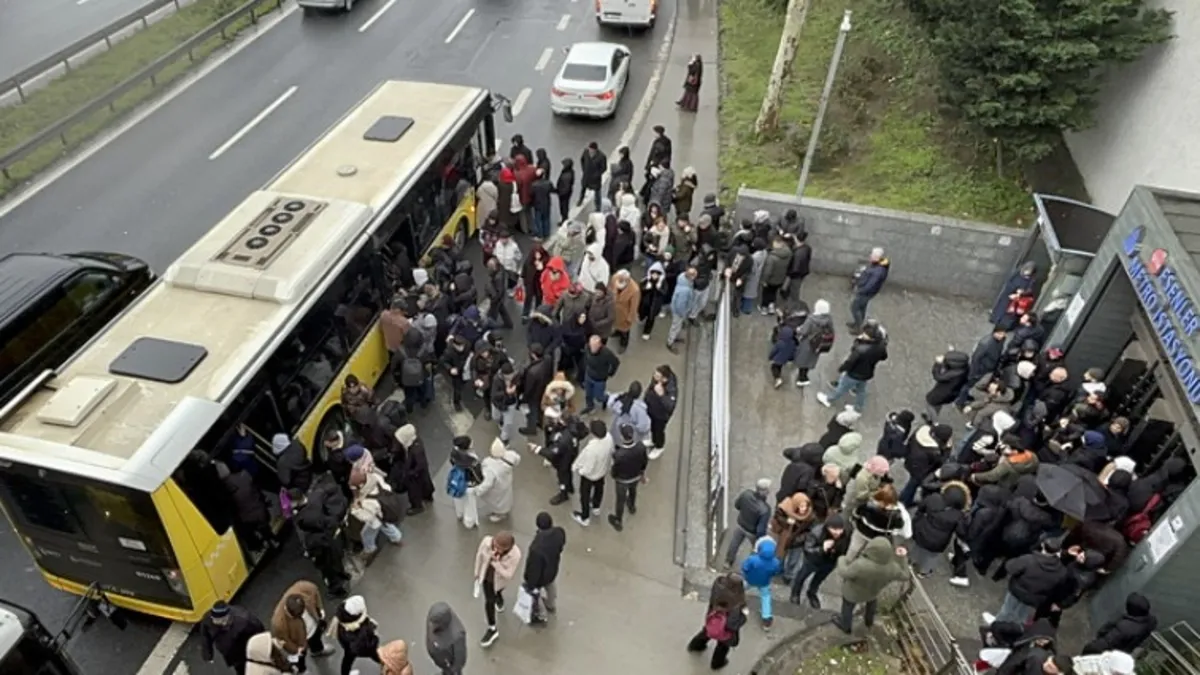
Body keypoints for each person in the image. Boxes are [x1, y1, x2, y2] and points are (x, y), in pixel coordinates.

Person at [833, 538, 908, 633]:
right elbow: (906, 576)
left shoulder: (861, 565)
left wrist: (842, 559)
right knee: (871, 603)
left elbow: (844, 572)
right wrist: (902, 558)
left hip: (852, 593)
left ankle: (846, 626)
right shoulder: (893, 568)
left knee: (847, 608)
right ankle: (869, 621)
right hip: (873, 592)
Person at [992, 538, 1073, 625]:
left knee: (1006, 610)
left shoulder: (1029, 559)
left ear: (1042, 545)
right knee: (1021, 616)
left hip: (1017, 592)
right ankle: (1012, 631)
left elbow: (1010, 567)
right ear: (1058, 551)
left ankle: (996, 626)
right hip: (1034, 599)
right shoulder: (1062, 571)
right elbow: (1059, 589)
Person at [816, 321, 889, 412]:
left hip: (854, 373)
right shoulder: (880, 346)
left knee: (842, 388)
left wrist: (842, 369)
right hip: (867, 373)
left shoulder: (860, 349)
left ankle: (828, 399)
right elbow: (884, 357)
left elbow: (850, 362)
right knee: (861, 391)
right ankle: (858, 408)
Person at [687, 571, 747, 670]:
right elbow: (732, 623)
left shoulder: (718, 584)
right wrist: (743, 618)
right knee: (723, 645)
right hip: (725, 626)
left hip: (713, 614)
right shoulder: (737, 601)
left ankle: (695, 646)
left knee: (707, 631)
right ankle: (717, 663)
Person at [790, 513, 851, 608]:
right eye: (834, 529)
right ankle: (795, 593)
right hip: (813, 561)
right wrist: (822, 549)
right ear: (828, 527)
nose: (837, 532)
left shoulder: (845, 534)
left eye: (840, 529)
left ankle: (811, 593)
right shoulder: (816, 533)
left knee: (818, 579)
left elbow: (846, 548)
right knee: (801, 576)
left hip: (829, 562)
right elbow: (808, 549)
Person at [474, 531, 523, 648]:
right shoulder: (487, 542)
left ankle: (499, 597)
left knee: (498, 590)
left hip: (500, 580)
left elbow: (508, 574)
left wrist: (496, 564)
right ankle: (492, 627)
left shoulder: (515, 554)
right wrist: (476, 572)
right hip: (487, 577)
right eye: (494, 545)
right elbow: (479, 555)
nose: (495, 549)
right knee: (489, 601)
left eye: (499, 548)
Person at [908, 486, 969, 578]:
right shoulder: (958, 515)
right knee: (931, 557)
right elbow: (961, 531)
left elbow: (921, 507)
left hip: (922, 531)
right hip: (938, 542)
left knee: (917, 547)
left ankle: (911, 562)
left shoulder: (934, 498)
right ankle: (923, 572)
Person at [270, 580, 328, 672]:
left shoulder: (305, 588)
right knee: (300, 659)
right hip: (299, 642)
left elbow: (315, 591)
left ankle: (317, 651)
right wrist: (296, 650)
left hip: (313, 628)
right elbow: (285, 641)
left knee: (316, 640)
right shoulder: (278, 623)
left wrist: (320, 610)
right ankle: (302, 670)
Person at [523, 512, 567, 623]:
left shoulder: (536, 547)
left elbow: (533, 568)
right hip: (552, 568)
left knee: (536, 594)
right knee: (550, 585)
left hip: (540, 575)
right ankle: (551, 604)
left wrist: (530, 584)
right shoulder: (559, 532)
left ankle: (541, 615)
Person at [1081, 593, 1157, 655]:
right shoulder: (1152, 621)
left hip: (1110, 650)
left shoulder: (1124, 628)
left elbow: (1105, 643)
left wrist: (1089, 648)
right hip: (1126, 650)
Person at [200, 601, 264, 675]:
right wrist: (208, 654)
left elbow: (259, 631)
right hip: (232, 657)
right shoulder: (208, 618)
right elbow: (205, 635)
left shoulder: (244, 620)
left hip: (245, 652)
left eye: (216, 619)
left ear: (225, 619)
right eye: (212, 618)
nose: (212, 621)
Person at [572, 419, 614, 526]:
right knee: (599, 488)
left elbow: (588, 469)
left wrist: (580, 470)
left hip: (590, 476)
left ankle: (585, 517)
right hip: (602, 470)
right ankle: (596, 507)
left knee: (584, 495)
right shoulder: (609, 437)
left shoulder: (592, 449)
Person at [725, 479, 772, 567]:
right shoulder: (765, 509)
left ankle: (728, 562)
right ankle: (749, 566)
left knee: (734, 544)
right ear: (765, 492)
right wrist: (761, 539)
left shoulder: (746, 494)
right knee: (756, 549)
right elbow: (760, 530)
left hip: (741, 525)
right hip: (752, 532)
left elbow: (737, 505)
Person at [472, 439, 521, 523]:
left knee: (496, 502)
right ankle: (503, 512)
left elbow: (487, 484)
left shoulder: (490, 466)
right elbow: (517, 458)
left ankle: (499, 514)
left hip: (496, 488)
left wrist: (477, 491)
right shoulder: (510, 456)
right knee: (505, 499)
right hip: (505, 484)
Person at [331, 596, 380, 675]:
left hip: (347, 644)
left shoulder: (341, 619)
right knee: (377, 656)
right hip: (360, 647)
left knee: (347, 660)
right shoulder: (362, 631)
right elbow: (364, 647)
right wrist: (375, 638)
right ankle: (388, 666)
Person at [392, 424, 435, 515]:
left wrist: (410, 473)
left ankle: (417, 506)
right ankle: (428, 496)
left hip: (414, 473)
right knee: (425, 483)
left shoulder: (415, 450)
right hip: (420, 472)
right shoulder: (416, 442)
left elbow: (420, 464)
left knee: (413, 490)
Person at [791, 299, 834, 387]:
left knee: (803, 360)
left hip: (808, 343)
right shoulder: (828, 319)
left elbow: (804, 331)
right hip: (818, 343)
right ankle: (805, 375)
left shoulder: (811, 319)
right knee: (810, 360)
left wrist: (798, 329)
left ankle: (802, 378)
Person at [848, 247, 890, 331]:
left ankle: (858, 327)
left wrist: (860, 290)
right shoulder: (878, 265)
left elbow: (870, 285)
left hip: (866, 292)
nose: (870, 256)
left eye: (872, 255)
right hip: (867, 292)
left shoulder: (878, 271)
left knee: (855, 307)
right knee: (862, 307)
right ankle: (858, 323)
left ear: (877, 258)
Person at [643, 364, 678, 459]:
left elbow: (670, 406)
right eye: (655, 374)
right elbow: (650, 388)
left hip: (661, 416)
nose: (654, 377)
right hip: (652, 409)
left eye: (657, 376)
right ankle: (653, 440)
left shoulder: (671, 389)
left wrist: (662, 395)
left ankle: (659, 447)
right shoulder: (656, 380)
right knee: (652, 427)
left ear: (664, 379)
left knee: (658, 431)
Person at [581, 335, 620, 414]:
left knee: (599, 397)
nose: (592, 348)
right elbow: (585, 357)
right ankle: (590, 406)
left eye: (595, 346)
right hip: (588, 375)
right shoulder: (587, 347)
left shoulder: (606, 353)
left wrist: (610, 373)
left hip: (599, 379)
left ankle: (606, 398)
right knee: (588, 394)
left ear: (600, 345)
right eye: (591, 345)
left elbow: (616, 362)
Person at [426, 602, 468, 675]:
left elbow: (459, 659)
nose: (431, 625)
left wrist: (453, 670)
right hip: (443, 662)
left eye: (435, 623)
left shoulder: (457, 636)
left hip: (449, 667)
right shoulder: (433, 619)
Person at [610, 270, 642, 351]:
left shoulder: (634, 290)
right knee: (616, 324)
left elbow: (634, 306)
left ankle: (623, 344)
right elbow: (611, 289)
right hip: (615, 309)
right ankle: (617, 332)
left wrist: (630, 318)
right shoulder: (614, 278)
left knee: (625, 330)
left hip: (625, 313)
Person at [667, 266, 697, 352]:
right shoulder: (686, 290)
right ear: (691, 277)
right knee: (675, 326)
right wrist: (683, 314)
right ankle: (670, 342)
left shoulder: (681, 278)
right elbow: (680, 305)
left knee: (677, 325)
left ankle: (674, 337)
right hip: (679, 312)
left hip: (676, 308)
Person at [579, 142, 607, 211]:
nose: (590, 151)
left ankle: (598, 207)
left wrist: (597, 174)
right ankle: (580, 200)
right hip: (586, 175)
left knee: (597, 193)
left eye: (592, 150)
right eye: (589, 149)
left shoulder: (601, 156)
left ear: (595, 150)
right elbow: (582, 160)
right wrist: (584, 169)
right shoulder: (586, 152)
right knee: (583, 188)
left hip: (595, 178)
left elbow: (604, 168)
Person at [555, 157, 575, 223]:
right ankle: (564, 219)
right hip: (565, 193)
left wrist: (560, 193)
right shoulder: (570, 172)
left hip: (564, 194)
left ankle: (564, 220)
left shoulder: (567, 175)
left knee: (564, 207)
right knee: (564, 206)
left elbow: (566, 187)